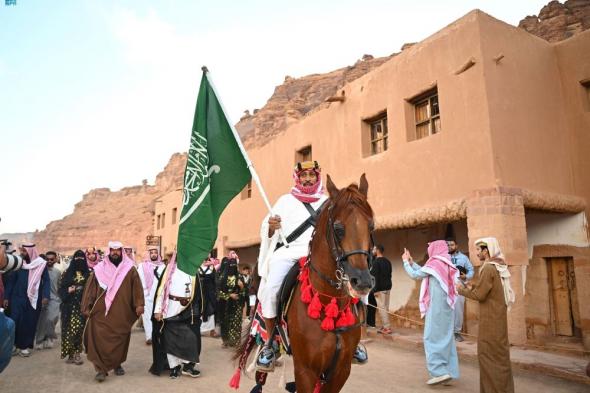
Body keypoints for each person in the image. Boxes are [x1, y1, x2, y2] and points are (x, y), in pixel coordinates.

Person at [255, 160, 329, 371]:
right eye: (303, 175)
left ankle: (353, 338)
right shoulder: (285, 201)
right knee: (270, 289)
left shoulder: (327, 202)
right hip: (288, 253)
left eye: (311, 175)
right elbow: (266, 231)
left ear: (317, 176)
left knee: (350, 284)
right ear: (297, 177)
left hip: (318, 254)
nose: (307, 179)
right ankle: (271, 343)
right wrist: (271, 227)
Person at [456, 238, 515, 393]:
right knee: (499, 358)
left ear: (486, 250)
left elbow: (480, 295)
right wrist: (469, 285)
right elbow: (487, 289)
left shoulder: (488, 267)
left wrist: (460, 290)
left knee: (488, 358)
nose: (477, 253)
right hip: (497, 318)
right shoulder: (497, 265)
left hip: (491, 321)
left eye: (479, 250)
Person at [81, 241, 144, 382]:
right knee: (98, 339)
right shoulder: (99, 269)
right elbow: (90, 290)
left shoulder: (130, 269)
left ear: (121, 252)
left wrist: (139, 304)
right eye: (112, 250)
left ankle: (117, 364)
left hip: (122, 311)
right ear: (109, 251)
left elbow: (137, 288)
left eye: (118, 250)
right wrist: (86, 306)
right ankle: (100, 369)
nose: (115, 253)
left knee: (120, 338)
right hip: (100, 312)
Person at [402, 240, 460, 385]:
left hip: (437, 308)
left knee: (431, 338)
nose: (429, 250)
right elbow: (425, 272)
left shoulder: (435, 263)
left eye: (430, 248)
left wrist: (404, 262)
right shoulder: (445, 262)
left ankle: (439, 372)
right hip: (447, 309)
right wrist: (411, 262)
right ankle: (449, 371)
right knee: (447, 339)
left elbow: (416, 275)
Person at [152, 253, 202, 379]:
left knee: (189, 339)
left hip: (188, 311)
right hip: (170, 309)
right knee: (170, 340)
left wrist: (198, 312)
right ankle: (174, 368)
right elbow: (161, 290)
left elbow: (198, 293)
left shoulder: (193, 271)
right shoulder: (169, 270)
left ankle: (187, 367)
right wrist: (158, 310)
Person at [3, 244, 50, 357]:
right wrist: (6, 297)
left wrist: (45, 296)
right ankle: (13, 345)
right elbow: (11, 282)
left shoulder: (41, 264)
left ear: (31, 252)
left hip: (33, 298)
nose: (22, 253)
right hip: (17, 298)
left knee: (28, 322)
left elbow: (46, 281)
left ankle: (23, 346)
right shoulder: (19, 264)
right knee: (15, 321)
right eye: (22, 251)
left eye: (25, 251)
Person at [59, 250, 89, 365]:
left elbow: (92, 290)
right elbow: (60, 289)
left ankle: (77, 354)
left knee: (78, 330)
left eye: (82, 258)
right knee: (68, 331)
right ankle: (70, 354)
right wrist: (68, 290)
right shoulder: (66, 273)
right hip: (68, 307)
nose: (79, 260)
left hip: (82, 306)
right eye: (77, 258)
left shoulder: (89, 274)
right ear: (73, 259)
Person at [446, 238, 474, 342]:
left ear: (456, 245)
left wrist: (465, 276)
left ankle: (457, 332)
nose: (450, 247)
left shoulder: (463, 258)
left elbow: (471, 270)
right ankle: (447, 333)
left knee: (458, 309)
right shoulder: (444, 257)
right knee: (446, 309)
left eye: (452, 245)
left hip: (459, 286)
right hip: (446, 286)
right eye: (448, 245)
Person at [138, 246, 164, 345]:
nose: (153, 254)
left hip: (159, 295)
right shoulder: (142, 266)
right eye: (151, 252)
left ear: (158, 254)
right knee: (147, 316)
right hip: (147, 295)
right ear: (149, 254)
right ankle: (149, 336)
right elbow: (139, 279)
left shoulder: (162, 266)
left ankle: (158, 335)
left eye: (155, 253)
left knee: (158, 316)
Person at [35, 251, 61, 350]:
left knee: (51, 319)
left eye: (51, 259)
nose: (49, 261)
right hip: (41, 298)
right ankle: (40, 340)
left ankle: (50, 337)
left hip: (55, 299)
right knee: (41, 321)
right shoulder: (39, 270)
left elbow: (59, 286)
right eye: (47, 259)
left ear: (55, 260)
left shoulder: (58, 272)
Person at [218, 258, 246, 347]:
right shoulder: (222, 277)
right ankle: (225, 341)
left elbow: (245, 293)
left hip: (237, 304)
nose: (233, 267)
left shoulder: (240, 277)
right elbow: (217, 292)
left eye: (235, 265)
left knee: (236, 322)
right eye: (231, 265)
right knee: (225, 322)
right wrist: (229, 295)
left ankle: (235, 341)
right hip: (224, 304)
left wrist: (242, 287)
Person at [370, 244, 393, 335]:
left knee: (382, 308)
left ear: (378, 250)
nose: (372, 250)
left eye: (374, 249)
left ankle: (387, 328)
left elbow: (374, 277)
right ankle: (385, 326)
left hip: (379, 288)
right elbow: (390, 274)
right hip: (388, 287)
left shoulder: (376, 262)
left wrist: (374, 289)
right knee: (385, 307)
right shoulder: (388, 261)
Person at [198, 254, 218, 337]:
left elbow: (215, 281)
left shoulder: (212, 268)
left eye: (207, 258)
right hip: (200, 293)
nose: (205, 260)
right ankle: (198, 330)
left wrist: (215, 293)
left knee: (212, 310)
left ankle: (212, 331)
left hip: (210, 293)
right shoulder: (197, 268)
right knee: (199, 311)